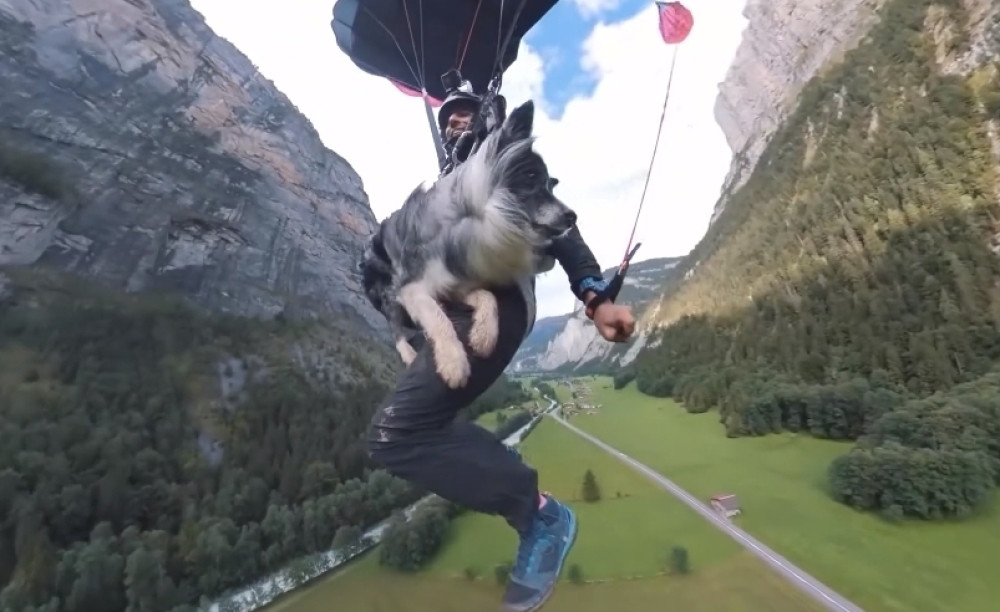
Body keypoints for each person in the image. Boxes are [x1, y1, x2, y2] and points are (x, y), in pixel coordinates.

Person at [363, 93, 636, 612]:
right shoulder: (445, 194)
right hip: (455, 303)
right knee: (406, 430)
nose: (455, 125)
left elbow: (561, 229)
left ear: (482, 119)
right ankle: (510, 479)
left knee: (396, 434)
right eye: (448, 120)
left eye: (464, 115)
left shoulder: (506, 168)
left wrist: (596, 297)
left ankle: (540, 518)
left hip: (503, 302)